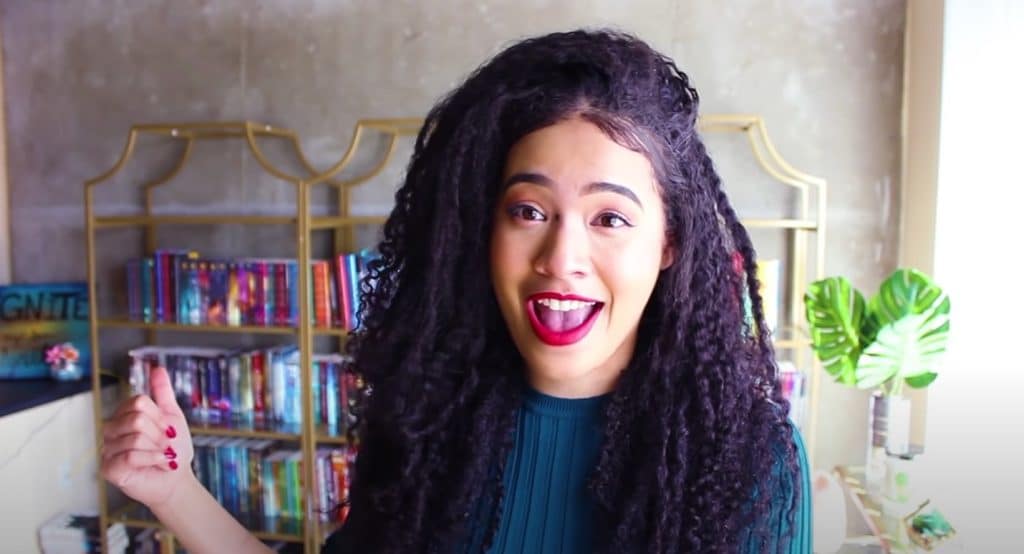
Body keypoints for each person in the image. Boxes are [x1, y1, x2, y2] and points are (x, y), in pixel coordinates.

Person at [101, 29, 812, 553]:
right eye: (528, 211)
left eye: (610, 218)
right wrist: (174, 491)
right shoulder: (427, 421)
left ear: (669, 244)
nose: (562, 259)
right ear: (481, 228)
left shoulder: (747, 461)